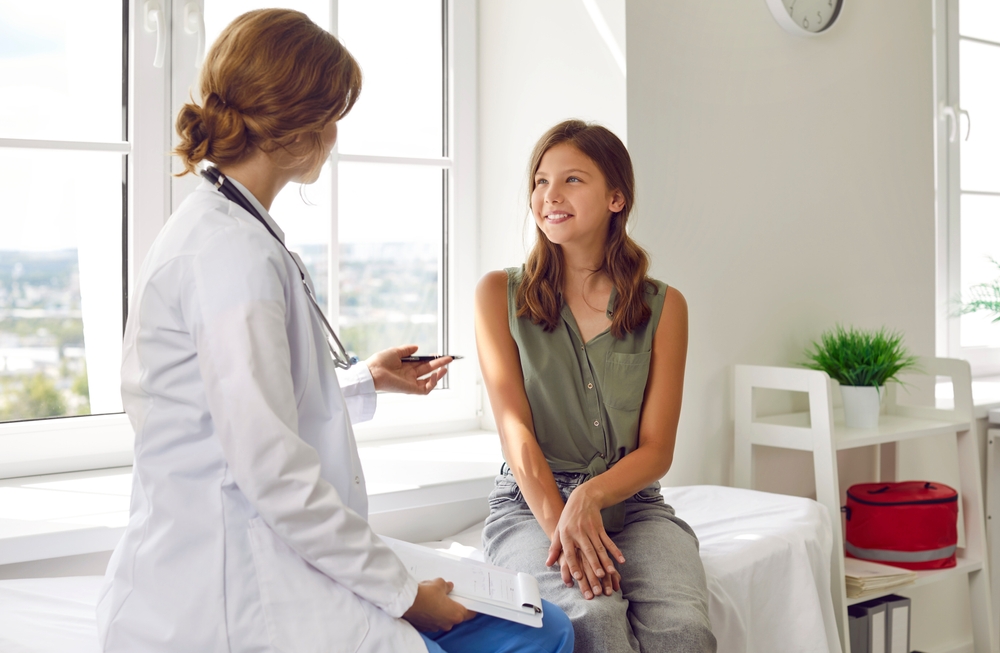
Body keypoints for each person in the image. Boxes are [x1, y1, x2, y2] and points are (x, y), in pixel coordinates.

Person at [96, 10, 573, 653]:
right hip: (236, 586)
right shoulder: (229, 256)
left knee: (545, 622)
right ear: (298, 127)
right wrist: (408, 598)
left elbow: (231, 414)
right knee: (540, 635)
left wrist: (364, 382)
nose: (335, 136)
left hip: (258, 545)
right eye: (333, 118)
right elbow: (271, 469)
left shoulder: (226, 227)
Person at [475, 120, 717, 652]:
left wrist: (591, 496)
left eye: (572, 181)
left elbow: (657, 450)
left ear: (615, 198)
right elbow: (515, 429)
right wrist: (562, 521)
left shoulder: (663, 306)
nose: (549, 196)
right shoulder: (498, 295)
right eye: (540, 181)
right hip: (530, 503)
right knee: (592, 620)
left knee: (685, 631)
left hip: (634, 503)